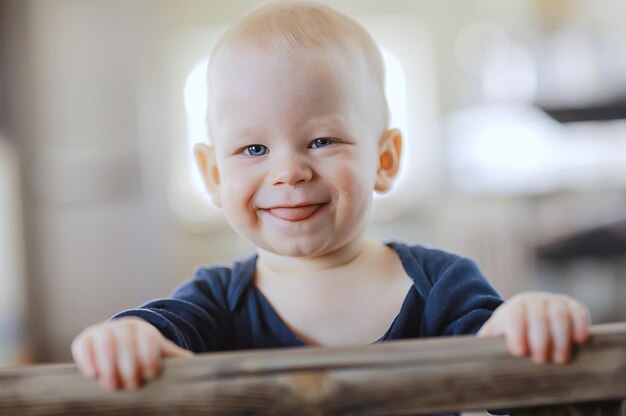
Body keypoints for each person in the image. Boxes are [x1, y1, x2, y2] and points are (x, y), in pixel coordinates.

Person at [71, 1, 591, 396]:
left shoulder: (441, 285)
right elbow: (158, 331)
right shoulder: (215, 301)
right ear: (211, 174)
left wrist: (526, 321)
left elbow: (502, 356)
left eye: (321, 141)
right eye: (253, 148)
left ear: (384, 160)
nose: (290, 171)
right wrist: (127, 337)